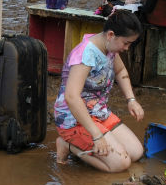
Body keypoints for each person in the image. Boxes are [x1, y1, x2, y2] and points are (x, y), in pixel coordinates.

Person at [53, 10, 145, 172]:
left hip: (98, 112)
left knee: (135, 152)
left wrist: (131, 100)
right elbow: (71, 97)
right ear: (111, 35)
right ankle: (67, 144)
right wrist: (97, 135)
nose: (127, 48)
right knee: (120, 164)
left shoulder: (109, 47)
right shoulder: (85, 54)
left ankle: (90, 143)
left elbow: (120, 71)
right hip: (73, 118)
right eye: (126, 43)